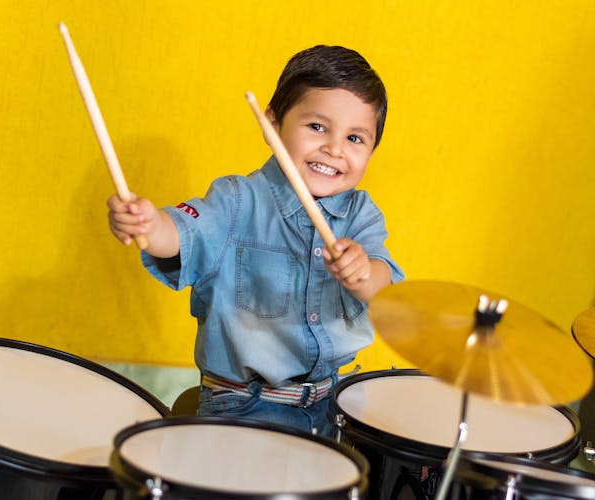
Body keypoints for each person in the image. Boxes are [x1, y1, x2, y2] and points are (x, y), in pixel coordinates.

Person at [107, 45, 404, 438]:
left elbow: (384, 286)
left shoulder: (361, 214)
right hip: (244, 407)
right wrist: (147, 224)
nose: (334, 149)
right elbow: (179, 235)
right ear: (272, 125)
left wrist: (363, 273)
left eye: (355, 138)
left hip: (334, 406)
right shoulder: (235, 201)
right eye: (317, 127)